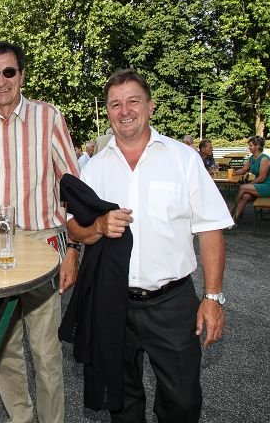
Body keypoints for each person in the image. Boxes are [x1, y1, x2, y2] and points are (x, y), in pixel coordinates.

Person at [67, 69, 232, 422]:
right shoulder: (94, 168)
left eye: (133, 101)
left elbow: (211, 229)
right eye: (115, 104)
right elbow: (73, 229)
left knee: (182, 402)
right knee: (121, 402)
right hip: (113, 302)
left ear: (150, 106)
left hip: (171, 303)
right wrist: (97, 226)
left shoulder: (183, 159)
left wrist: (212, 298)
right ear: (107, 111)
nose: (124, 110)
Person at [0, 41, 80, 423]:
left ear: (22, 75)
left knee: (46, 353)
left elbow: (74, 188)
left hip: (43, 246)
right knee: (3, 351)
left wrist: (73, 249)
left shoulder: (49, 117)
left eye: (9, 72)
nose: (1, 81)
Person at [231, 136, 270, 224]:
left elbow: (262, 178)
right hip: (259, 186)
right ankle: (233, 221)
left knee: (243, 187)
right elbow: (244, 170)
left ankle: (231, 209)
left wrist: (250, 184)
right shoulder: (252, 158)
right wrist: (235, 172)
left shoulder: (264, 159)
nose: (249, 147)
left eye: (251, 145)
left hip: (267, 185)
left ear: (257, 146)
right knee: (245, 196)